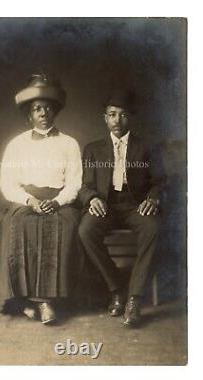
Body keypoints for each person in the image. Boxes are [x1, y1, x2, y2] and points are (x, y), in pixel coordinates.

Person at [0, 73, 82, 324]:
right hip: (25, 200)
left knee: (65, 224)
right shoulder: (16, 144)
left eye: (48, 107)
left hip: (58, 200)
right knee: (18, 224)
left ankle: (47, 300)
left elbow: (75, 182)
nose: (43, 113)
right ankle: (24, 300)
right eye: (37, 109)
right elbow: (7, 183)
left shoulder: (69, 144)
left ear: (55, 112)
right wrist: (29, 201)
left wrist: (57, 201)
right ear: (29, 115)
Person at [78, 90, 164, 327]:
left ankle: (134, 299)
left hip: (135, 205)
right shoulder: (93, 149)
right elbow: (84, 185)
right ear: (104, 118)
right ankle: (117, 288)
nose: (117, 120)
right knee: (85, 231)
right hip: (106, 206)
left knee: (153, 228)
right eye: (112, 114)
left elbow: (159, 182)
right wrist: (92, 198)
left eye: (123, 115)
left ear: (130, 118)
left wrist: (153, 198)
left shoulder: (145, 148)